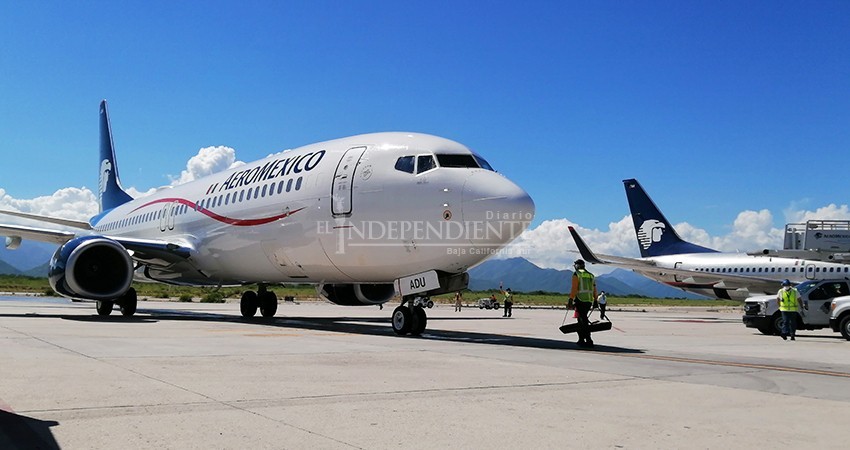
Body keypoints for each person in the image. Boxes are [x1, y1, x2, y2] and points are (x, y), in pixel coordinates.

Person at [569, 259, 597, 347]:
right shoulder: (590, 275)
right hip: (589, 301)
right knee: (581, 320)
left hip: (580, 300)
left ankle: (588, 339)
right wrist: (595, 300)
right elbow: (594, 289)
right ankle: (581, 339)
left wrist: (570, 299)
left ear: (577, 265)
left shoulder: (576, 274)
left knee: (583, 320)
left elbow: (574, 288)